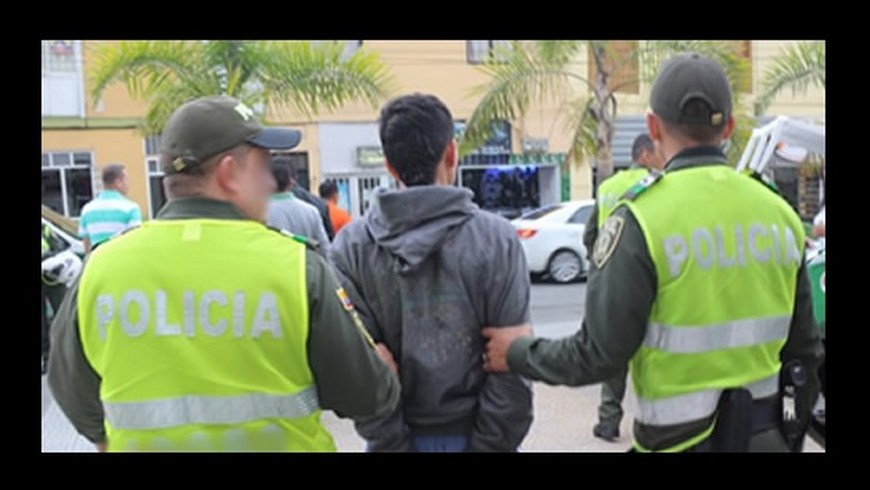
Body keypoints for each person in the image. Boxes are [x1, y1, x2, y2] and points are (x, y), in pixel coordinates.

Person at [482, 53, 824, 453]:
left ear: (652, 126)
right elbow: (805, 353)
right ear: (729, 127)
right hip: (765, 441)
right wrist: (787, 434)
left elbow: (598, 356)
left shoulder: (641, 218)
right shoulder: (779, 214)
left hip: (676, 444)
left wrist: (518, 352)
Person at [48, 95, 400, 452]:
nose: (269, 182)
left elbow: (69, 388)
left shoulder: (103, 266)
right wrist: (382, 370)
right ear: (229, 173)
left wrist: (105, 438)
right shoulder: (296, 266)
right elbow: (367, 395)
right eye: (263, 167)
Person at [330, 93, 533, 452]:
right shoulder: (497, 240)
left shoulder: (351, 248)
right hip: (481, 436)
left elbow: (367, 375)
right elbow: (512, 366)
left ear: (390, 166)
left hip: (394, 439)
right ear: (452, 153)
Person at [582, 133, 665, 442]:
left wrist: (600, 267)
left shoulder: (606, 187)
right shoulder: (657, 184)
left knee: (613, 353)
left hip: (610, 283)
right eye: (657, 152)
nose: (662, 157)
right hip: (646, 278)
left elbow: (590, 234)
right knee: (652, 350)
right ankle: (656, 422)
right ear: (645, 155)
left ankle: (608, 421)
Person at [267, 160, 331, 257]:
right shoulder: (311, 212)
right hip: (306, 269)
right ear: (291, 182)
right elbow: (325, 250)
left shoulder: (257, 214)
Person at [78, 164, 142, 253]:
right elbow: (135, 242)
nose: (128, 184)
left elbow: (86, 246)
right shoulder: (131, 208)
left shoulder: (87, 210)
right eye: (126, 179)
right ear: (118, 182)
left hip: (98, 263)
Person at [273, 156, 336, 242]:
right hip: (304, 254)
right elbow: (326, 248)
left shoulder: (256, 213)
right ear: (293, 180)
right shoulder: (315, 209)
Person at [41, 222, 68, 374]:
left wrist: (48, 258)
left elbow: (60, 246)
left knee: (62, 316)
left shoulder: (44, 228)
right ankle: (47, 358)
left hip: (53, 278)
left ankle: (64, 357)